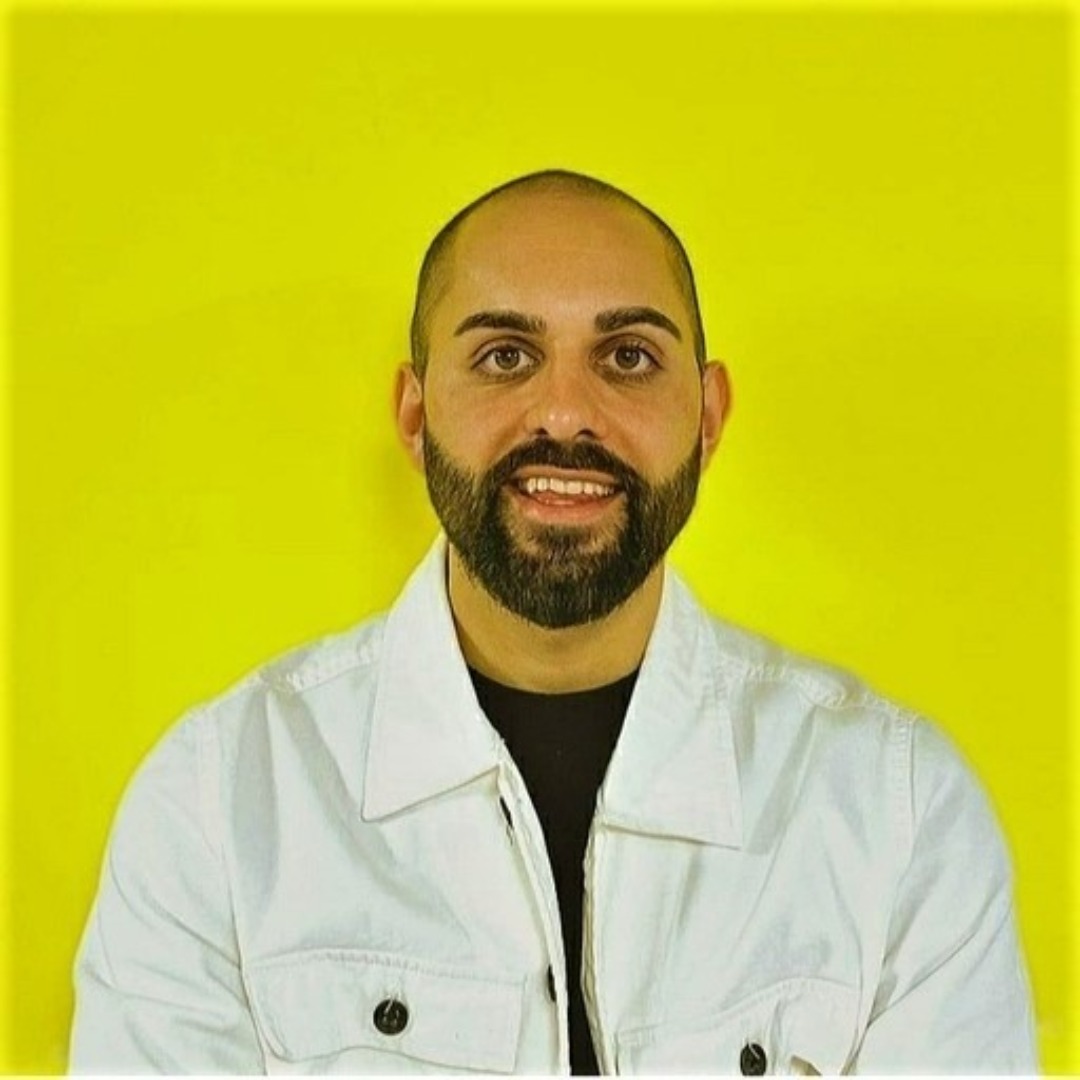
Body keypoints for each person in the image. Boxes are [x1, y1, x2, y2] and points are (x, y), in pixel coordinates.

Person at [70, 169, 1037, 1075]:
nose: (567, 414)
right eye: (505, 356)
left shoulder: (896, 810)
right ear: (414, 417)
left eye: (628, 357)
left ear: (707, 417)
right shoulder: (221, 805)